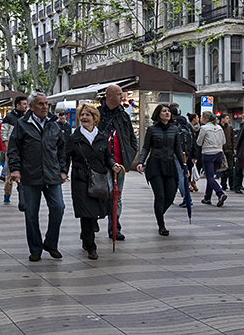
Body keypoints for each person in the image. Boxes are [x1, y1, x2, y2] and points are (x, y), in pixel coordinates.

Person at [7, 92, 68, 261]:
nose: (45, 107)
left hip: (52, 174)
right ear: (32, 107)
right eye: (41, 104)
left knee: (59, 208)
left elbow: (62, 150)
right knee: (31, 213)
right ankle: (35, 248)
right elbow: (13, 149)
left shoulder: (54, 124)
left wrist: (63, 170)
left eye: (46, 103)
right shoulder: (22, 124)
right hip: (29, 175)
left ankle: (50, 242)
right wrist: (15, 169)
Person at [66, 103, 122, 260]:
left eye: (87, 115)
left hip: (98, 179)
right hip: (80, 180)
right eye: (82, 115)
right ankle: (91, 246)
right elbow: (66, 156)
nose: (84, 117)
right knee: (86, 213)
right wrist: (63, 172)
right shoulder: (73, 138)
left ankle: (86, 236)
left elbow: (107, 156)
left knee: (95, 212)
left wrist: (113, 164)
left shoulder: (102, 137)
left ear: (94, 118)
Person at [137, 104, 187, 236]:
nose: (167, 113)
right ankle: (161, 224)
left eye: (169, 111)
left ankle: (159, 214)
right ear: (158, 114)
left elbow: (178, 149)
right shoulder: (152, 129)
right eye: (164, 111)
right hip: (155, 165)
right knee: (160, 195)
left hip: (170, 165)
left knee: (170, 196)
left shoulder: (174, 129)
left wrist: (184, 166)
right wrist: (141, 162)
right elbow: (146, 147)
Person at [98, 84, 138, 241]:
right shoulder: (99, 113)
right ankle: (92, 221)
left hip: (119, 163)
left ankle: (114, 227)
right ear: (109, 95)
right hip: (101, 163)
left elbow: (131, 138)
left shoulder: (123, 115)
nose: (122, 97)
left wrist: (129, 154)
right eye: (120, 94)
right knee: (101, 194)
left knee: (116, 195)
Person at [0, 96, 28, 205]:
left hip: (24, 150)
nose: (26, 106)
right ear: (18, 105)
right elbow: (4, 133)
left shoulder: (27, 117)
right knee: (10, 173)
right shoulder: (9, 117)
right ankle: (7, 194)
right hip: (12, 150)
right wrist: (8, 148)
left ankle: (24, 196)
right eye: (24, 104)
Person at [196, 112, 227, 207]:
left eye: (201, 117)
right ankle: (207, 197)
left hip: (208, 154)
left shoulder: (204, 128)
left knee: (209, 176)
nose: (200, 118)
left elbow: (199, 143)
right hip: (219, 153)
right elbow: (224, 141)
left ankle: (220, 193)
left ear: (205, 118)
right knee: (212, 176)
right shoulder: (219, 127)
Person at [169, 104, 193, 208]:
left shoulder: (172, 124)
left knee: (178, 175)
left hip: (175, 152)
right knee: (180, 174)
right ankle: (171, 197)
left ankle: (187, 198)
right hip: (185, 152)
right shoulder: (186, 124)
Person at [219, 114, 235, 191]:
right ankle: (224, 184)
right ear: (222, 119)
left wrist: (233, 149)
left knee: (231, 169)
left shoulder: (230, 128)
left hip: (229, 150)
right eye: (227, 118)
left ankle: (231, 185)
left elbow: (233, 139)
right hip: (222, 151)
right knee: (223, 169)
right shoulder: (218, 128)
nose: (228, 119)